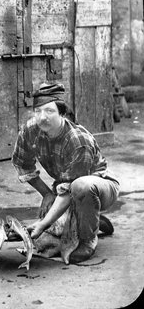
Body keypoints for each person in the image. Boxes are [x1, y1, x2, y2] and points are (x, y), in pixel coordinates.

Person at [11, 83, 120, 263]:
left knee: (80, 187)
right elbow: (22, 163)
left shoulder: (78, 140)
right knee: (46, 235)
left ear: (61, 112)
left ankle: (87, 240)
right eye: (37, 111)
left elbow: (70, 188)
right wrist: (46, 194)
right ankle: (89, 219)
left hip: (100, 185)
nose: (42, 117)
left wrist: (45, 222)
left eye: (49, 111)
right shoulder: (30, 130)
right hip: (65, 186)